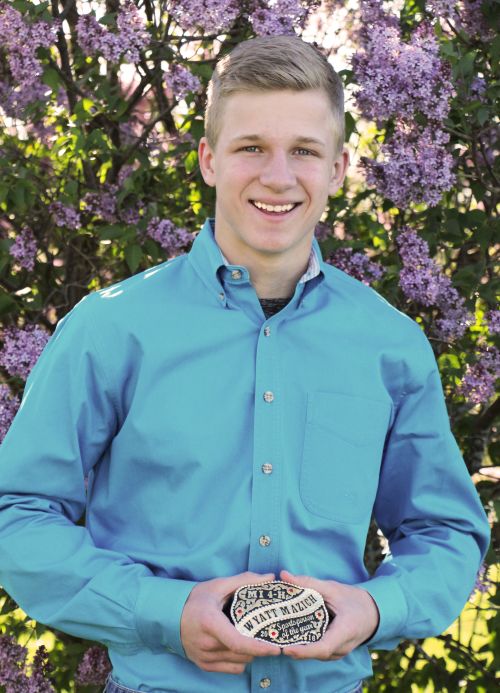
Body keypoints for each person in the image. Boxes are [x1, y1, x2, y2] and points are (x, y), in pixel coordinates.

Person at [0, 34, 490, 693]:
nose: (278, 176)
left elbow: (446, 529)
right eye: (251, 147)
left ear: (340, 167)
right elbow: (17, 515)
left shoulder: (388, 344)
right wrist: (166, 611)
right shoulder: (111, 329)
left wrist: (376, 607)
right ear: (207, 158)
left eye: (304, 151)